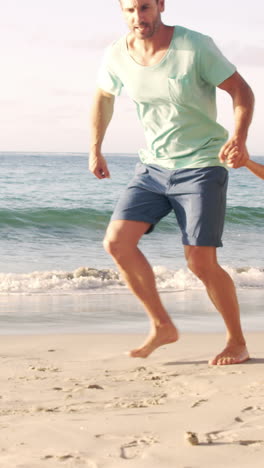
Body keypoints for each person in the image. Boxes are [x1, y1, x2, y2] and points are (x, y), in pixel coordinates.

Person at [89, 0, 255, 365]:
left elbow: (242, 92)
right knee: (117, 243)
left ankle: (236, 341)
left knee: (200, 262)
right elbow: (103, 96)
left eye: (145, 8)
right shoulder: (116, 54)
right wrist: (95, 148)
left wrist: (239, 138)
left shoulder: (194, 46)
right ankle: (162, 325)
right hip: (153, 168)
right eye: (130, 10)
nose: (139, 18)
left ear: (161, 5)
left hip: (201, 166)